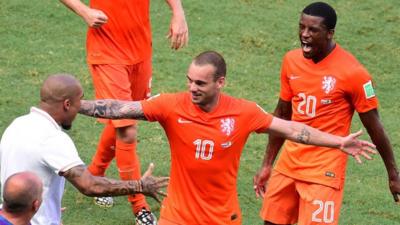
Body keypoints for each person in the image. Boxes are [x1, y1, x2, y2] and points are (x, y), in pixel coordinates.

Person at [78, 51, 376, 225]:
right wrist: (75, 106)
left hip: (222, 218)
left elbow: (294, 129)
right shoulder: (171, 105)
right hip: (176, 217)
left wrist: (337, 142)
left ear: (220, 83)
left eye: (200, 83)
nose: (192, 88)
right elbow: (120, 107)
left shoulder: (243, 113)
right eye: (189, 81)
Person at [253, 2, 400, 225]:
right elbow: (282, 115)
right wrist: (267, 164)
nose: (304, 35)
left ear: (330, 33)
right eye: (301, 27)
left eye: (313, 30)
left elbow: (375, 126)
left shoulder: (353, 73)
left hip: (324, 171)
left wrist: (393, 174)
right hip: (289, 163)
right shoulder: (291, 61)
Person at [59, 0, 188, 221]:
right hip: (107, 52)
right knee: (127, 129)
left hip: (140, 51)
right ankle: (139, 205)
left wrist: (178, 12)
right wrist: (84, 11)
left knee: (121, 120)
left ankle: (95, 175)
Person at [0, 74, 168, 225]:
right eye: (80, 102)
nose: (80, 107)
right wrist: (139, 185)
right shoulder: (52, 139)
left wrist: (49, 209)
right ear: (67, 104)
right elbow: (89, 185)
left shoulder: (17, 125)